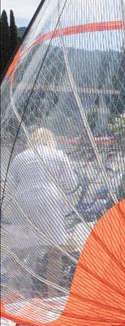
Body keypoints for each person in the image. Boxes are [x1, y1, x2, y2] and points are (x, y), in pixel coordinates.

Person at [4, 127, 78, 297]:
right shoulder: (58, 155)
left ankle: (13, 289)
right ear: (51, 140)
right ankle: (51, 293)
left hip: (23, 202)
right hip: (49, 201)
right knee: (55, 251)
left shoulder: (20, 157)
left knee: (19, 249)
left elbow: (10, 185)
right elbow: (71, 185)